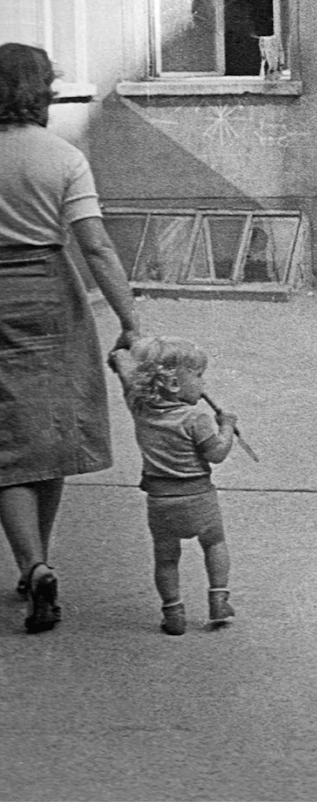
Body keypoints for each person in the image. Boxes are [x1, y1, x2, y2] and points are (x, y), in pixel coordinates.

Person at [0, 43, 139, 634]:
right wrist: (131, 321)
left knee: (6, 442)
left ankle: (32, 565)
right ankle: (40, 562)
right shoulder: (62, 158)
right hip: (48, 297)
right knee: (49, 430)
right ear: (43, 94)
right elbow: (97, 247)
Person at [109, 337, 239, 636]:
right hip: (198, 499)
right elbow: (217, 453)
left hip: (160, 502)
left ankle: (173, 612)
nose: (203, 382)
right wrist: (227, 426)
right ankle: (219, 599)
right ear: (174, 385)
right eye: (197, 375)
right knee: (214, 544)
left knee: (166, 558)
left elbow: (129, 377)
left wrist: (119, 356)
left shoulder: (140, 409)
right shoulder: (196, 418)